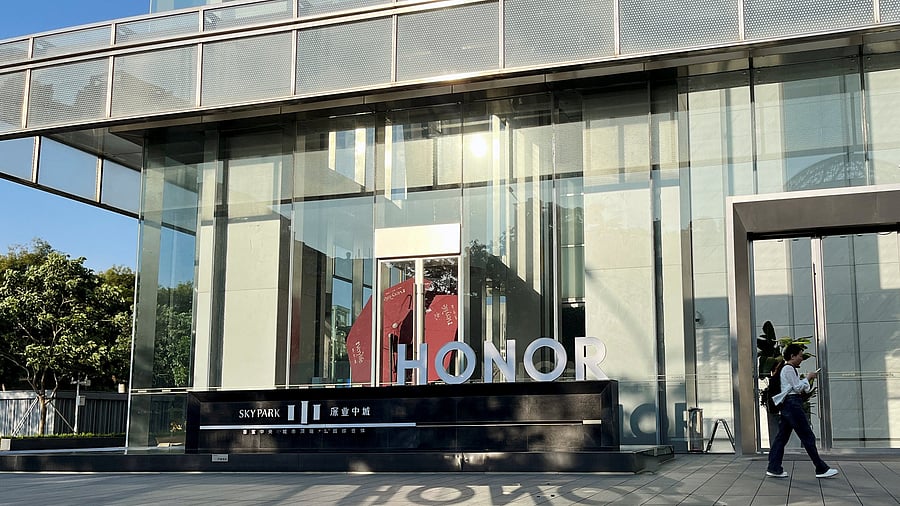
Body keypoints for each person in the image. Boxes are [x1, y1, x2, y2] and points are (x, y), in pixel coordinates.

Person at [766, 343, 839, 479]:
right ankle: (820, 468)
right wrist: (809, 378)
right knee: (807, 436)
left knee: (782, 437)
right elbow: (798, 388)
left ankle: (774, 467)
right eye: (800, 355)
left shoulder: (788, 368)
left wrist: (806, 380)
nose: (801, 358)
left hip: (789, 405)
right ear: (792, 356)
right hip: (792, 405)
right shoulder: (788, 369)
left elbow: (798, 387)